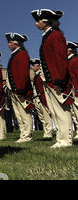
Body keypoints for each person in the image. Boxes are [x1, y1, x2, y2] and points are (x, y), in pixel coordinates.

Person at [32, 9, 74, 148]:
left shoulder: (55, 36)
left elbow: (60, 59)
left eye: (38, 21)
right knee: (56, 111)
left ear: (45, 22)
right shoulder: (48, 35)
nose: (36, 24)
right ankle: (61, 138)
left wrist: (59, 80)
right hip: (50, 80)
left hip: (56, 80)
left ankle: (66, 140)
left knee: (62, 110)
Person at [5, 33, 34, 143]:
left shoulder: (22, 54)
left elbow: (23, 74)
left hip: (20, 90)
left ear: (17, 43)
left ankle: (27, 135)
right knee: (18, 114)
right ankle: (23, 134)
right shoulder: (15, 55)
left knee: (24, 113)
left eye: (10, 42)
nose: (8, 44)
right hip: (14, 90)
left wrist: (21, 90)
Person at [30, 58, 54, 138]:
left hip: (41, 98)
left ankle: (49, 132)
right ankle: (46, 131)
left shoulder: (41, 75)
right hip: (36, 98)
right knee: (41, 117)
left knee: (46, 117)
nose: (32, 67)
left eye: (34, 66)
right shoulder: (36, 76)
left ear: (38, 66)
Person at [66, 41, 78, 139]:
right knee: (74, 113)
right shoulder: (69, 61)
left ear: (69, 50)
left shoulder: (75, 60)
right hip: (72, 90)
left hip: (76, 89)